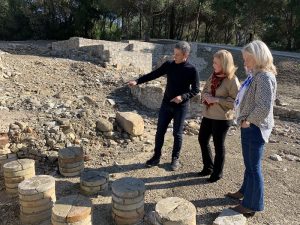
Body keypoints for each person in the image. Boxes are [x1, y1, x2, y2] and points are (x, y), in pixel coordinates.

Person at [128, 41, 199, 171]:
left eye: (177, 54)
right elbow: (153, 74)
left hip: (181, 107)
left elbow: (195, 90)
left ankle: (175, 159)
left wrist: (182, 97)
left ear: (185, 55)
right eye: (174, 53)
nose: (174, 56)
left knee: (177, 134)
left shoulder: (192, 70)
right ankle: (156, 157)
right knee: (160, 131)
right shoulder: (169, 65)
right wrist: (137, 81)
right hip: (166, 104)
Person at [227, 40, 277, 217]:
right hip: (249, 124)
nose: (244, 62)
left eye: (247, 58)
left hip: (254, 127)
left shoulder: (263, 76)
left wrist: (248, 120)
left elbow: (263, 106)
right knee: (249, 164)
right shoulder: (256, 74)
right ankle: (244, 192)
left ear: (258, 57)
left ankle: (251, 205)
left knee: (254, 167)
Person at [198, 50, 240, 183]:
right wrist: (205, 96)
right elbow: (204, 90)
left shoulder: (232, 80)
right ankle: (208, 167)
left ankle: (217, 173)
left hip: (222, 118)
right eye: (213, 62)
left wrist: (216, 100)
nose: (213, 65)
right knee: (202, 140)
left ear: (224, 63)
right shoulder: (213, 75)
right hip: (208, 115)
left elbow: (236, 102)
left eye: (215, 62)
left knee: (218, 145)